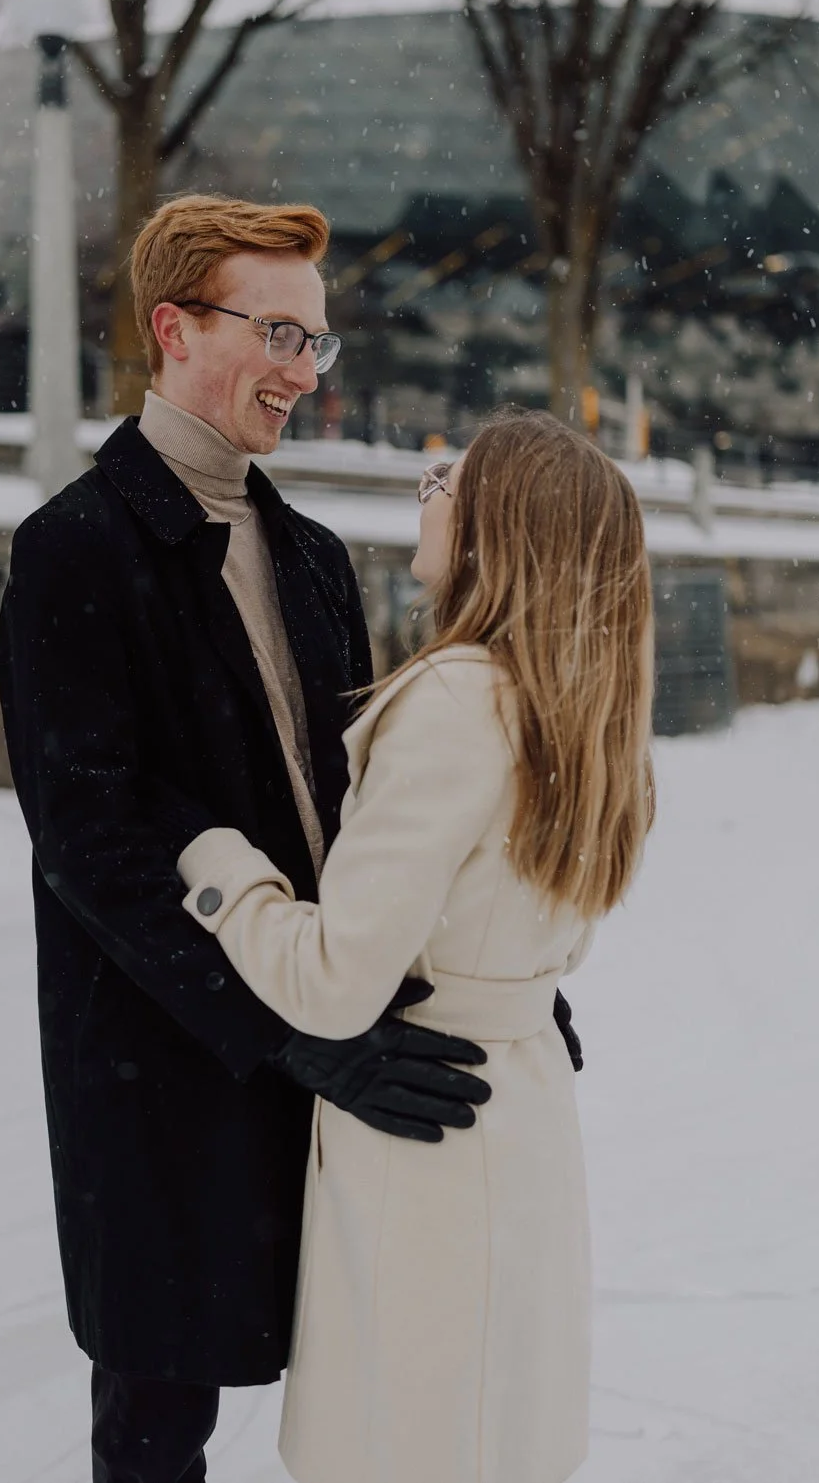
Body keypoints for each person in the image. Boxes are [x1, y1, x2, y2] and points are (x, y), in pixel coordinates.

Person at [0, 194, 510, 1483]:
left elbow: (369, 809)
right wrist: (283, 1031)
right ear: (173, 328)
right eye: (277, 333)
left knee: (358, 1404)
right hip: (167, 1067)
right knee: (159, 1427)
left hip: (328, 1038)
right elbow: (92, 840)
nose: (301, 372)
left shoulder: (318, 555)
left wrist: (462, 970)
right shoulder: (72, 550)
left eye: (315, 342)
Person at [178, 408, 656, 1483]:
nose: (429, 483)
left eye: (455, 479)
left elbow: (338, 981)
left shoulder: (452, 701)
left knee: (407, 1441)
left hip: (423, 1133)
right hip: (517, 1117)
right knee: (493, 1436)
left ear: (502, 529)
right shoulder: (579, 710)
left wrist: (219, 867)